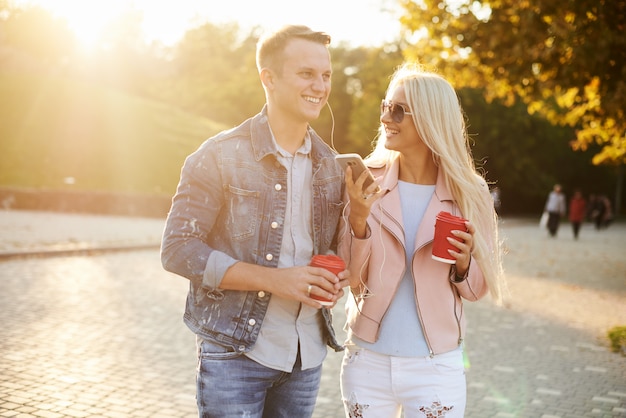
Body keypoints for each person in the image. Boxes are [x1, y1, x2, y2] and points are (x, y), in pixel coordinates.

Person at [161, 25, 350, 418]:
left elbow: (333, 250)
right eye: (306, 73)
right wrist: (274, 280)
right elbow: (178, 250)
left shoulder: (333, 166)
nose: (320, 85)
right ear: (269, 77)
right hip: (235, 351)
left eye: (326, 74)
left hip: (305, 355)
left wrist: (337, 272)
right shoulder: (218, 156)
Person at [336, 63, 505, 418]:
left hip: (435, 368)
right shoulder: (366, 179)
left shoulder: (469, 192)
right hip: (367, 361)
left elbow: (475, 291)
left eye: (399, 110)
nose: (386, 118)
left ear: (430, 119)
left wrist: (463, 263)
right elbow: (350, 278)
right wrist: (358, 219)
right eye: (386, 106)